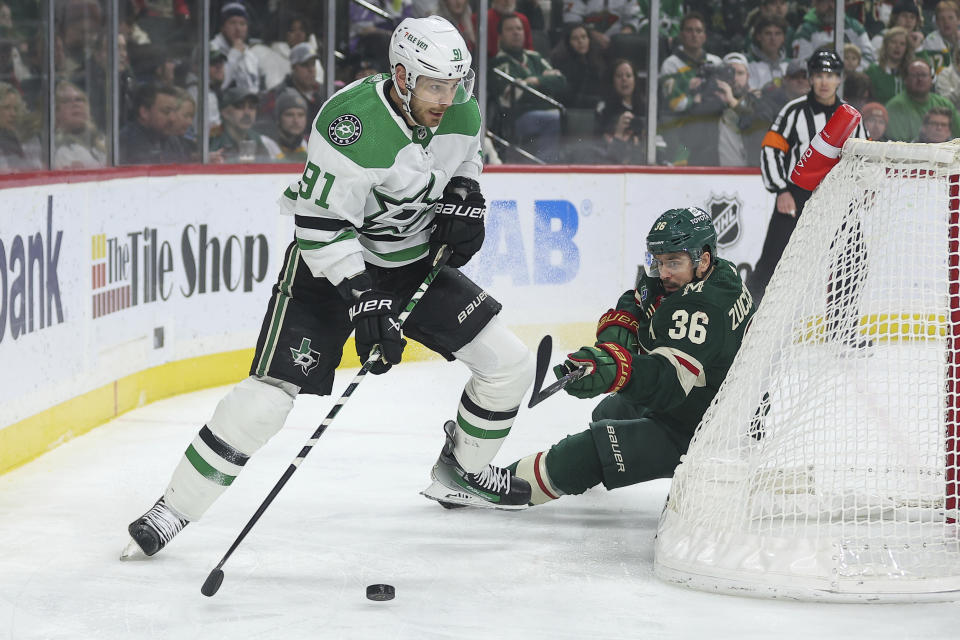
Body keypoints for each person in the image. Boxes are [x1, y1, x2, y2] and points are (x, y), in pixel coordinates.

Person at [121, 16, 536, 559]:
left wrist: (466, 193)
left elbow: (467, 156)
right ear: (403, 76)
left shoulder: (458, 108)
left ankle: (463, 472)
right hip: (330, 269)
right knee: (266, 401)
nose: (447, 97)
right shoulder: (350, 125)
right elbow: (318, 227)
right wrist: (363, 300)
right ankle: (173, 508)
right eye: (436, 85)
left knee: (508, 364)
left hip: (412, 263)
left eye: (455, 84)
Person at [504, 208, 755, 507]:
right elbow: (640, 296)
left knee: (585, 452)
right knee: (604, 415)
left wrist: (616, 369)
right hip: (701, 395)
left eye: (673, 262)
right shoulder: (711, 270)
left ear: (702, 259)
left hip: (706, 426)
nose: (663, 272)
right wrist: (619, 332)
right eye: (658, 261)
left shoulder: (703, 309)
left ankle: (498, 489)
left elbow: (667, 383)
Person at [750, 49, 867, 304]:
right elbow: (771, 149)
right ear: (810, 78)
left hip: (838, 198)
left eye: (831, 75)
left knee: (851, 260)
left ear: (840, 79)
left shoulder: (851, 117)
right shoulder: (793, 112)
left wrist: (860, 194)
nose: (824, 81)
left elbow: (863, 159)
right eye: (819, 75)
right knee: (772, 261)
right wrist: (781, 190)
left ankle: (841, 330)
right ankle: (748, 322)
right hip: (795, 196)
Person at [490, 13, 566, 162]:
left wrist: (533, 81)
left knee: (562, 117)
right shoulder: (497, 64)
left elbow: (561, 81)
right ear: (500, 36)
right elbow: (511, 97)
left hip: (542, 114)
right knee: (554, 118)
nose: (516, 32)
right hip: (516, 119)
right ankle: (544, 168)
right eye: (510, 29)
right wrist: (545, 80)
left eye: (519, 28)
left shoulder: (534, 57)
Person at [258, 42, 323, 139]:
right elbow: (268, 131)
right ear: (293, 67)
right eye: (305, 65)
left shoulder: (324, 92)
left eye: (313, 64)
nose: (311, 70)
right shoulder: (277, 95)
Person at [885, 58, 960, 141]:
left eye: (924, 75)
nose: (920, 79)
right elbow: (898, 145)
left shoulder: (944, 104)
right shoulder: (895, 106)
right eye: (915, 75)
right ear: (905, 79)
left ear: (932, 79)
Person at [790, 0, 876, 70]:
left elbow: (869, 57)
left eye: (834, 2)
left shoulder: (854, 27)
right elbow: (801, 63)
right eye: (825, 1)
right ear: (815, 4)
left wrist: (853, 71)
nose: (830, 6)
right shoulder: (805, 30)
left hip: (851, 79)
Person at [209, 85, 281, 163]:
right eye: (240, 107)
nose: (247, 113)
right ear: (225, 113)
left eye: (252, 107)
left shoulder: (259, 139)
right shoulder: (212, 140)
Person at [593, 58, 645, 164]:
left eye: (628, 76)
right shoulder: (604, 108)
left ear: (635, 80)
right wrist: (619, 132)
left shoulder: (646, 107)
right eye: (619, 76)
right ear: (612, 80)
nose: (624, 79)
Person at [118, 83, 183, 165]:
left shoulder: (173, 141)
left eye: (175, 111)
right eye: (166, 111)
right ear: (144, 112)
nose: (173, 119)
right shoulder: (125, 143)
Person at [550, 23, 607, 109]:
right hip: (575, 110)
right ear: (568, 43)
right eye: (575, 38)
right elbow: (568, 97)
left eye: (584, 37)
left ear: (589, 39)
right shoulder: (562, 64)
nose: (580, 41)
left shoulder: (597, 60)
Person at [53, 80, 106, 169]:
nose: (75, 104)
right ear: (56, 112)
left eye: (79, 99)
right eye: (66, 101)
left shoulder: (104, 141)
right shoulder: (54, 149)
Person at [210, 2, 261, 92]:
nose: (238, 29)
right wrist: (235, 53)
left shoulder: (251, 56)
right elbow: (220, 86)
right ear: (222, 27)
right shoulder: (212, 48)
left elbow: (254, 88)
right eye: (232, 23)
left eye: (242, 24)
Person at [865, 26, 913, 104]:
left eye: (902, 44)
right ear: (886, 45)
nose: (897, 47)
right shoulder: (873, 71)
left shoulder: (911, 71)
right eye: (893, 42)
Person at [747, 14, 791, 91]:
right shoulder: (748, 64)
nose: (773, 38)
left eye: (778, 33)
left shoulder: (790, 65)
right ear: (759, 37)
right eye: (768, 33)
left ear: (783, 38)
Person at [920, 0, 959, 76]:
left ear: (958, 20)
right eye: (942, 19)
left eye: (950, 18)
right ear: (936, 22)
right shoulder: (931, 41)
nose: (946, 22)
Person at [273, 87, 308, 161]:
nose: (296, 120)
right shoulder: (268, 146)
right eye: (289, 115)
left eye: (301, 115)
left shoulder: (310, 147)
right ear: (278, 119)